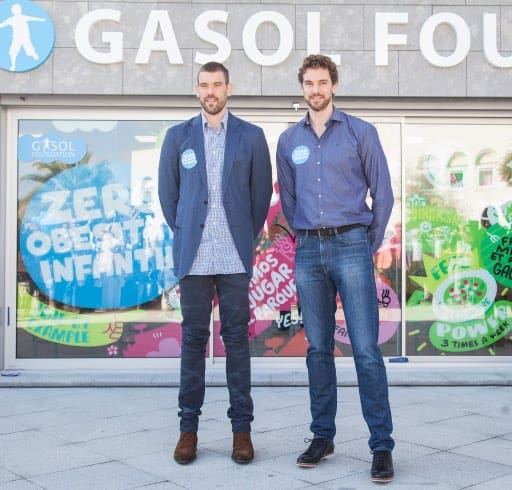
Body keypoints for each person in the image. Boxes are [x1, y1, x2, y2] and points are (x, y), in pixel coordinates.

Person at [276, 54, 395, 483]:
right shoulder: (289, 140)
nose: (316, 90)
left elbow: (383, 195)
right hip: (309, 252)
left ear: (334, 85)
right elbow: (289, 200)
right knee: (318, 349)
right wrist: (305, 239)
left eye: (322, 82)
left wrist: (365, 244)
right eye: (309, 83)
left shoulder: (361, 132)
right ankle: (322, 437)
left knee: (365, 350)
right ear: (302, 87)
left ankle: (381, 445)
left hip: (351, 246)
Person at [158, 62, 272, 465]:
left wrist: (242, 233)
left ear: (229, 88)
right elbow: (169, 196)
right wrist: (187, 231)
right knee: (193, 341)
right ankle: (188, 429)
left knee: (237, 342)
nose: (211, 91)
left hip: (234, 257)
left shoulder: (251, 136)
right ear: (197, 90)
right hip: (194, 258)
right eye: (204, 85)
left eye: (217, 84)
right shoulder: (178, 137)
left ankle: (242, 431)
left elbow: (260, 197)